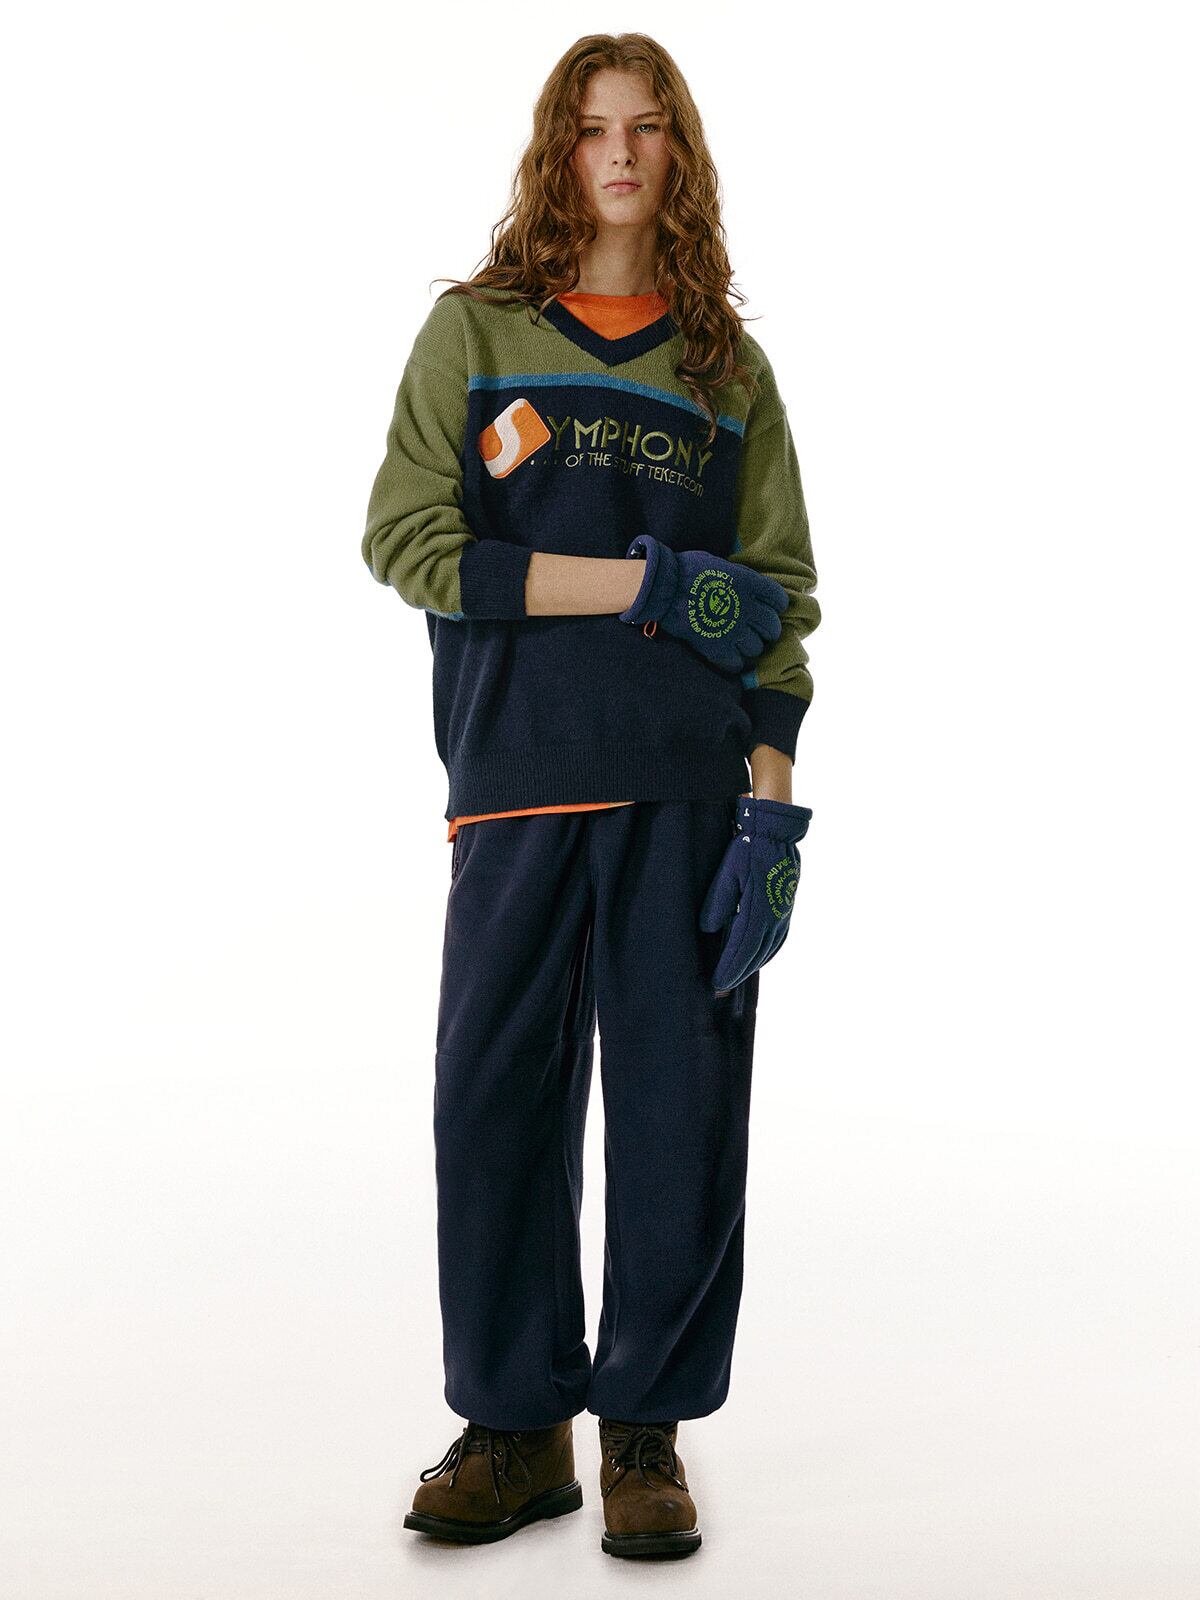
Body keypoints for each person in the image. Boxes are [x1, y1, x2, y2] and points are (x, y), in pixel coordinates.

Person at [360, 31, 821, 1560]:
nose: (620, 152)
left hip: (687, 789)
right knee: (495, 1103)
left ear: (681, 153)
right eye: (592, 127)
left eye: (648, 126)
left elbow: (778, 597)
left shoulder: (724, 369)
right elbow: (413, 542)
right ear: (557, 151)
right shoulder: (477, 334)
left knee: (684, 1115)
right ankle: (514, 1432)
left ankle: (645, 1434)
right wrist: (636, 585)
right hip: (515, 784)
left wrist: (772, 805)